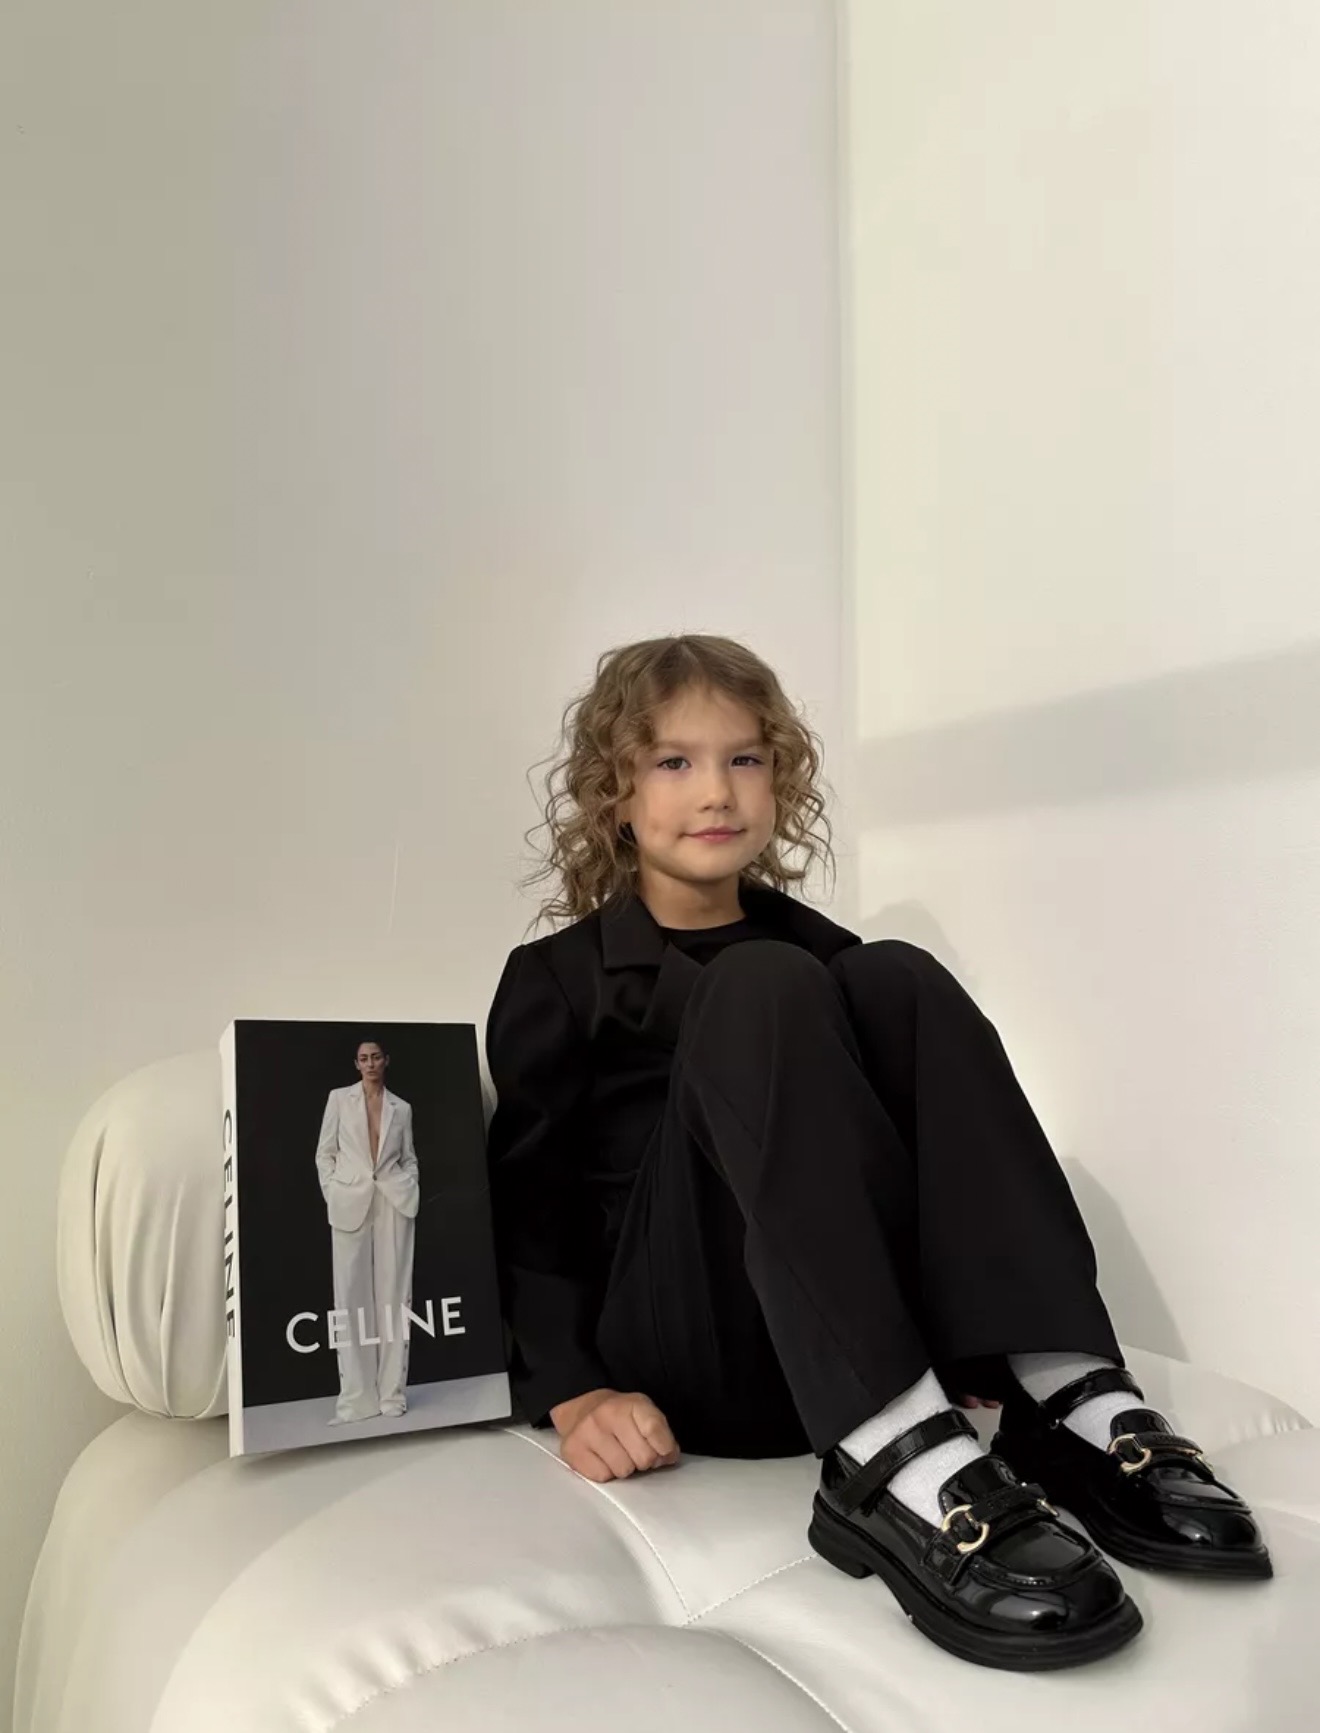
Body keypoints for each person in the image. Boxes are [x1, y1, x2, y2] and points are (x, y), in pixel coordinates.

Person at [483, 634, 1270, 1672]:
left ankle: (1062, 1391)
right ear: (615, 792)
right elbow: (530, 1207)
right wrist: (577, 1390)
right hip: (684, 1350)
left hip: (832, 1340)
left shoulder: (830, 958)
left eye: (745, 757)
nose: (716, 790)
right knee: (761, 983)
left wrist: (966, 1343)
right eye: (674, 761)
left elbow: (897, 1163)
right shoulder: (559, 978)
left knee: (900, 975)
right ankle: (887, 1457)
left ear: (780, 776)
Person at [315, 1039, 420, 1423]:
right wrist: (333, 1191)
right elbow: (324, 1153)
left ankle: (392, 1395)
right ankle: (356, 1399)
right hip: (350, 1200)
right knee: (350, 1298)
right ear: (356, 1064)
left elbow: (409, 1157)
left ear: (385, 1061)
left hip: (393, 1199)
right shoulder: (338, 1100)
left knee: (395, 1297)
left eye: (376, 1057)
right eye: (364, 1058)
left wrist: (409, 1185)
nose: (370, 1063)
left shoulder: (401, 1108)